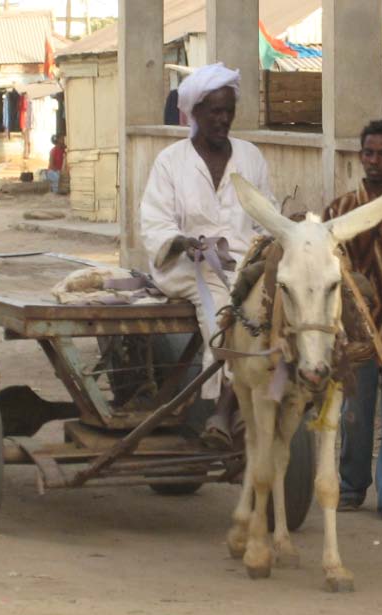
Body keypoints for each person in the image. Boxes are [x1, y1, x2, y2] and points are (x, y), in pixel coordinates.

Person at [140, 63, 278, 449]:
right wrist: (182, 243)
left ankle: (251, 397)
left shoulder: (250, 157)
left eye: (229, 111)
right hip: (187, 265)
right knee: (224, 308)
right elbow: (155, 222)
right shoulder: (171, 161)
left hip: (243, 264)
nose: (223, 119)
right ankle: (224, 408)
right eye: (215, 111)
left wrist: (279, 235)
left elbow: (266, 215)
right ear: (194, 112)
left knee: (275, 305)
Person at [324, 120, 382, 522]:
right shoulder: (339, 211)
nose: (374, 161)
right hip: (354, 334)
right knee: (354, 418)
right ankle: (350, 488)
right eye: (368, 153)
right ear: (361, 156)